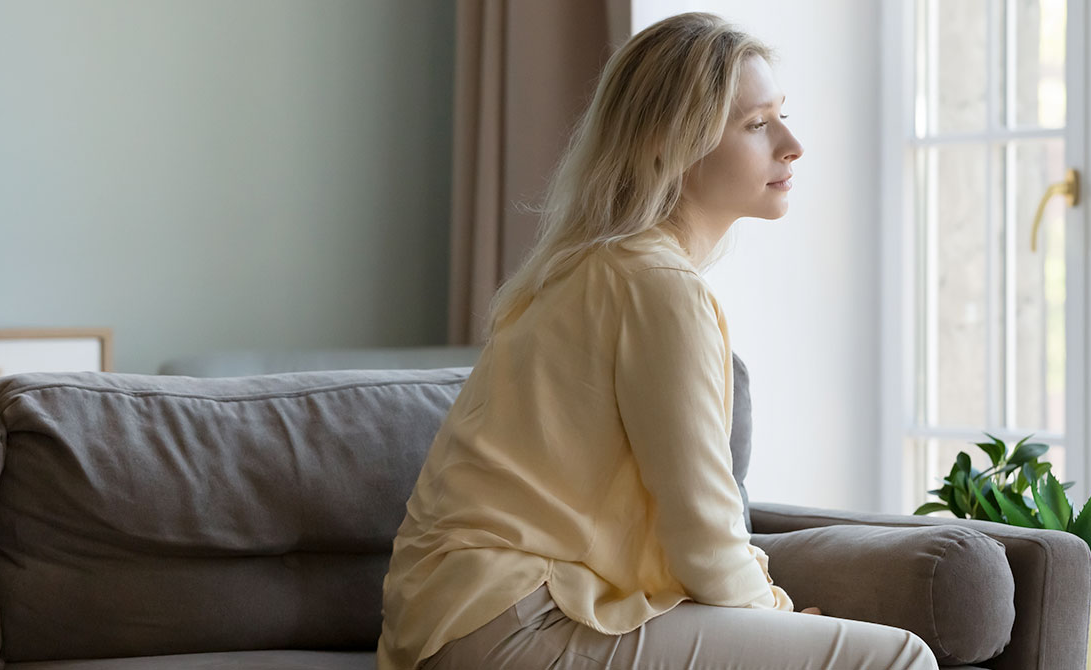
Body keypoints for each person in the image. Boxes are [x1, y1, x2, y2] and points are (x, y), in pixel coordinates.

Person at [378, 12, 938, 670]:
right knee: (900, 658)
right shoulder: (658, 286)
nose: (792, 144)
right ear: (668, 143)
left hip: (460, 618)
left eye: (781, 115)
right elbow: (701, 530)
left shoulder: (597, 266)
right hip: (511, 621)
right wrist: (773, 617)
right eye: (757, 124)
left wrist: (772, 616)